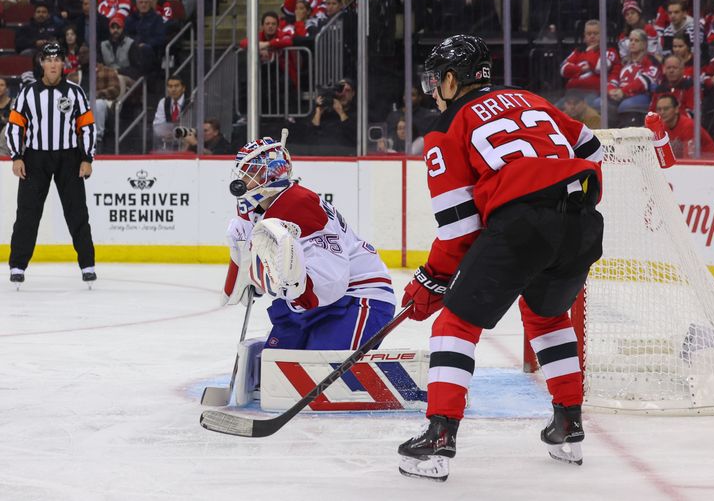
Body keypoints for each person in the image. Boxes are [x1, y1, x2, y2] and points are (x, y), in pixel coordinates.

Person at [397, 35, 604, 481]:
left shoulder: (446, 129)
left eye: (436, 81)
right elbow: (593, 149)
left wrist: (430, 280)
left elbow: (459, 229)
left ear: (453, 79)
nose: (433, 91)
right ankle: (569, 424)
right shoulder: (531, 99)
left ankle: (439, 435)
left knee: (454, 323)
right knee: (548, 318)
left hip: (523, 222)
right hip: (583, 222)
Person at [223, 135, 396, 351]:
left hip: (359, 298)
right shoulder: (258, 209)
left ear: (269, 174)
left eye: (250, 173)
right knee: (277, 369)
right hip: (314, 301)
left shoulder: (297, 203)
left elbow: (332, 280)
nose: (242, 180)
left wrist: (293, 292)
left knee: (323, 375)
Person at [4, 42, 97, 285]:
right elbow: (15, 126)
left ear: (63, 63)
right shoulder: (27, 93)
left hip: (69, 157)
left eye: (58, 60)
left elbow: (86, 126)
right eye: (49, 60)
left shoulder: (76, 92)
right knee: (27, 213)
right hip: (35, 158)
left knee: (77, 212)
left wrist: (87, 158)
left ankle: (87, 264)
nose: (53, 64)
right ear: (42, 63)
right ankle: (18, 266)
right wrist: (17, 156)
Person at [654, 94, 714, 159]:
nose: (662, 112)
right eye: (659, 109)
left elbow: (689, 158)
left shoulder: (688, 126)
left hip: (710, 162)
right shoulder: (661, 126)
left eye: (666, 109)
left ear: (676, 109)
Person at [309, 77, 357, 150]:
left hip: (347, 154)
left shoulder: (359, 114)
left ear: (353, 93)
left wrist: (341, 113)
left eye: (347, 90)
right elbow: (309, 136)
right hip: (320, 153)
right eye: (340, 90)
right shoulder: (325, 112)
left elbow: (354, 136)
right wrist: (318, 112)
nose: (343, 94)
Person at [153, 75, 187, 145]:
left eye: (176, 86)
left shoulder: (190, 101)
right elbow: (157, 125)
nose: (173, 89)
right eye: (170, 86)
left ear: (183, 88)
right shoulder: (163, 102)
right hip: (168, 141)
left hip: (187, 140)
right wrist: (165, 132)